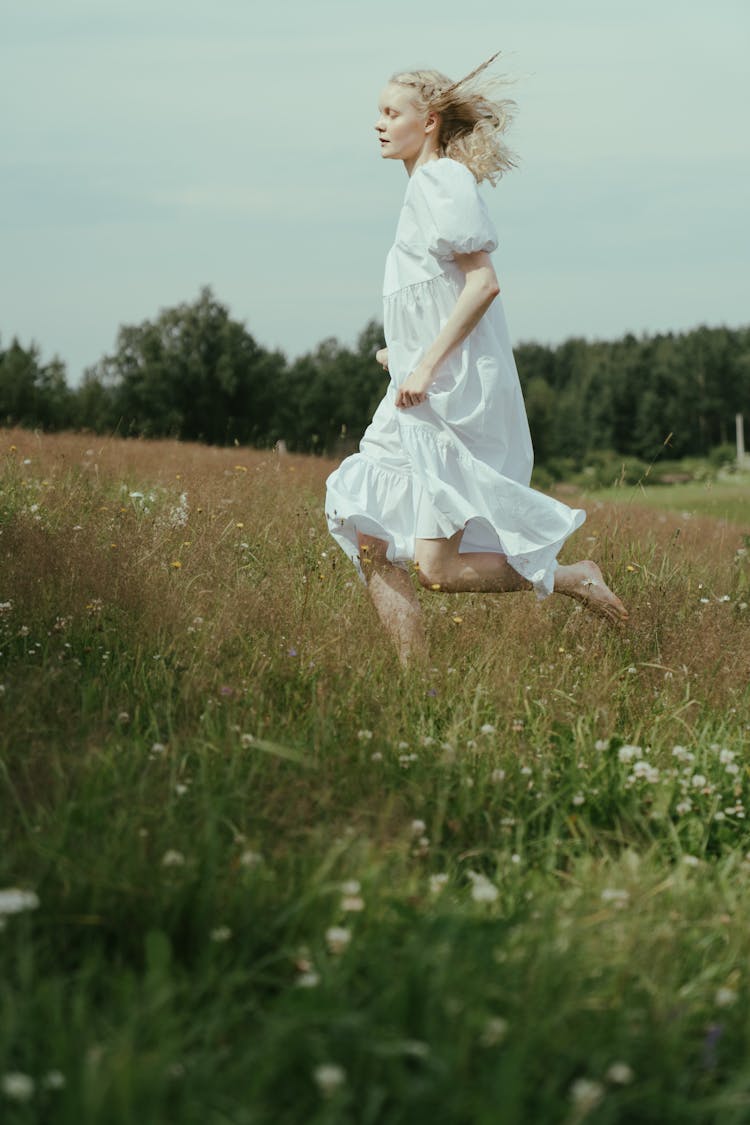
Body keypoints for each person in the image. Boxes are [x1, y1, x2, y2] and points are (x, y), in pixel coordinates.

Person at [325, 53, 628, 664]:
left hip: (448, 400)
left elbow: (483, 285)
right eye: (376, 114)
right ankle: (416, 689)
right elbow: (436, 298)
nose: (378, 125)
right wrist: (402, 353)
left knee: (434, 568)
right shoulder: (421, 191)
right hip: (417, 394)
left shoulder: (443, 183)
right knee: (372, 538)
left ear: (429, 120)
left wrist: (425, 365)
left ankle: (574, 577)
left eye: (391, 113)